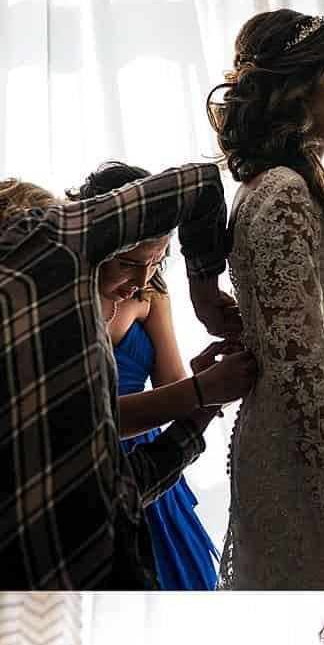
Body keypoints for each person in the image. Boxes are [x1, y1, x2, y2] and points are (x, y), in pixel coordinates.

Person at [0, 165, 260, 589]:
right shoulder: (54, 248)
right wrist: (205, 301)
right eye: (129, 262)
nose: (143, 279)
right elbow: (199, 183)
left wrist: (200, 403)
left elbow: (108, 492)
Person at [208, 10, 324, 590]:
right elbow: (301, 377)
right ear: (295, 86)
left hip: (322, 455)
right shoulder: (284, 193)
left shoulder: (290, 185)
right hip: (301, 468)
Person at [80, 161, 224, 589]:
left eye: (156, 261)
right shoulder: (64, 299)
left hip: (153, 464)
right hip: (94, 472)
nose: (141, 279)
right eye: (128, 264)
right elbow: (90, 420)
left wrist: (205, 378)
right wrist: (201, 391)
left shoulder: (150, 293)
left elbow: (172, 386)